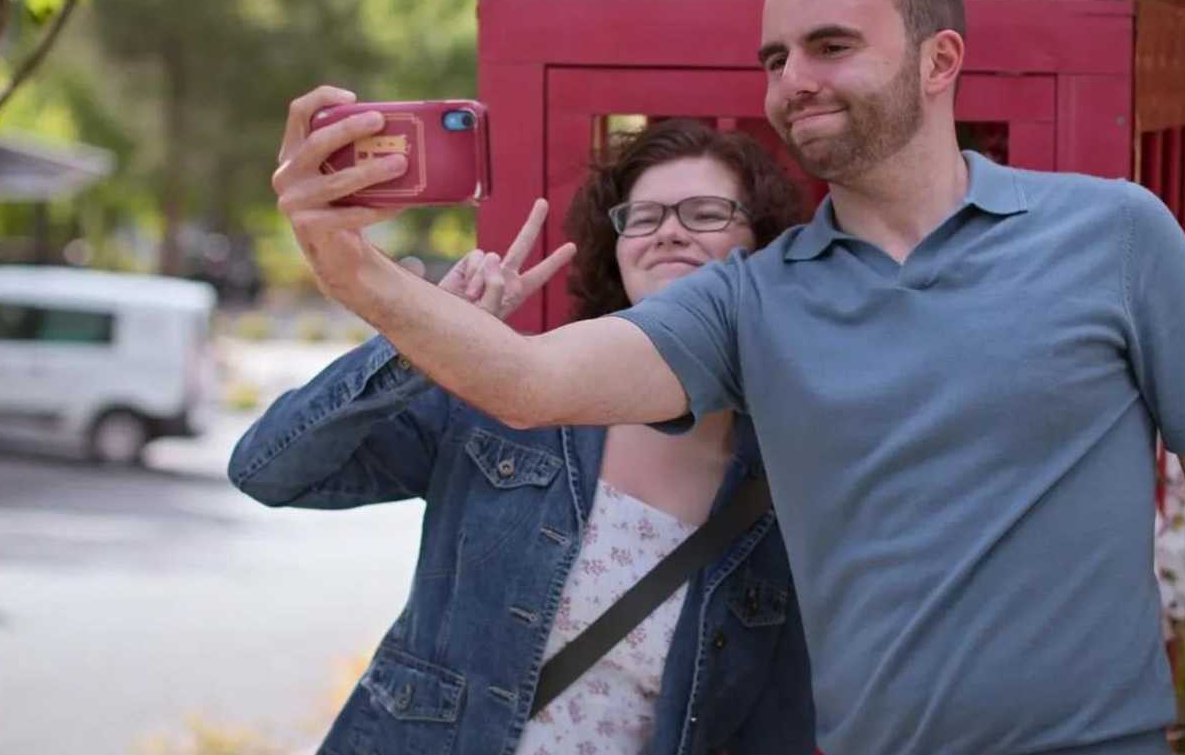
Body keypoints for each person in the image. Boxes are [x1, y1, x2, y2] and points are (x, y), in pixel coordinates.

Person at [269, 0, 1185, 753]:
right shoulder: (751, 300)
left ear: (939, 58)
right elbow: (530, 381)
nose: (794, 80)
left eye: (832, 46)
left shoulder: (1117, 233)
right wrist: (346, 264)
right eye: (776, 56)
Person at [232, 119, 816, 755]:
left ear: (759, 248)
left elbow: (774, 724)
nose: (670, 230)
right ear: (615, 249)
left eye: (706, 213)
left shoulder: (789, 474)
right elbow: (270, 469)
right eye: (643, 217)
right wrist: (422, 348)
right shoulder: (502, 403)